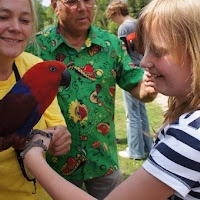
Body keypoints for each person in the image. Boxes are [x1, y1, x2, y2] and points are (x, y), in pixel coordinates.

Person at [24, 0, 200, 199]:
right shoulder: (35, 47)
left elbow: (136, 85)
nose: (82, 8)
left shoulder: (110, 44)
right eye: (72, 1)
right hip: (57, 159)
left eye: (88, 0)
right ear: (56, 5)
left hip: (102, 158)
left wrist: (150, 87)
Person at [0, 0, 71, 200]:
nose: (15, 28)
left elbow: (57, 128)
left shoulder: (35, 67)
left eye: (24, 19)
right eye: (3, 17)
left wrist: (57, 137)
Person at [106, 0, 152, 160]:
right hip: (143, 70)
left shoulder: (124, 27)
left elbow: (122, 53)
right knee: (141, 113)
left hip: (132, 71)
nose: (114, 21)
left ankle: (135, 151)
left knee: (131, 114)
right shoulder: (139, 22)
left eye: (112, 18)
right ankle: (148, 147)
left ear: (116, 13)